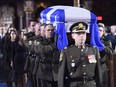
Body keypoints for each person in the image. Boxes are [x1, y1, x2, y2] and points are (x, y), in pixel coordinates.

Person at [58, 22, 102, 87]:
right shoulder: (66, 51)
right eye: (78, 33)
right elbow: (61, 75)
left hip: (90, 84)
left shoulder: (93, 50)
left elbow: (98, 73)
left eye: (83, 33)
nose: (81, 36)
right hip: (74, 84)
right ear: (73, 36)